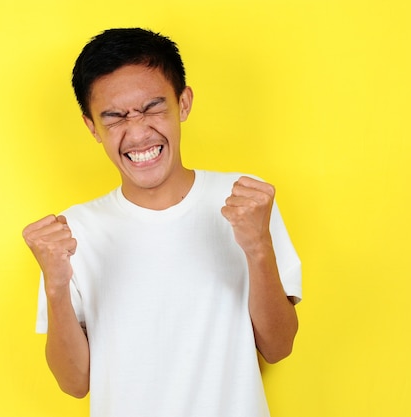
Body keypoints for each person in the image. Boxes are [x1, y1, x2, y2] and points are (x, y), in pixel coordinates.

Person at [22, 27, 301, 417]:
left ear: (183, 103)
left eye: (153, 107)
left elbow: (279, 346)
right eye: (115, 117)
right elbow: (74, 383)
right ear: (91, 127)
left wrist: (257, 246)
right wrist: (55, 285)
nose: (137, 133)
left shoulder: (246, 203)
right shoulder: (72, 232)